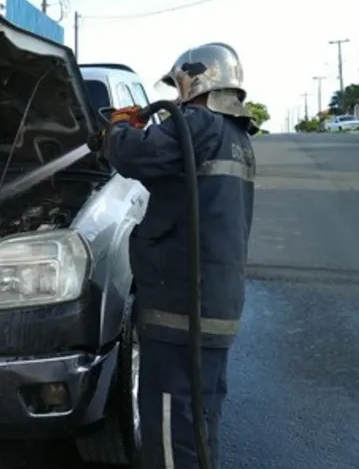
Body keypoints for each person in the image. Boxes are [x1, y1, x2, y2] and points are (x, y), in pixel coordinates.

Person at [98, 42, 257, 468]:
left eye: (180, 84)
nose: (178, 94)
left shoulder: (198, 124)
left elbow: (137, 153)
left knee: (170, 426)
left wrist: (117, 129)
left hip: (181, 306)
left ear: (196, 79)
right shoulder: (237, 136)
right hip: (216, 303)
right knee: (198, 424)